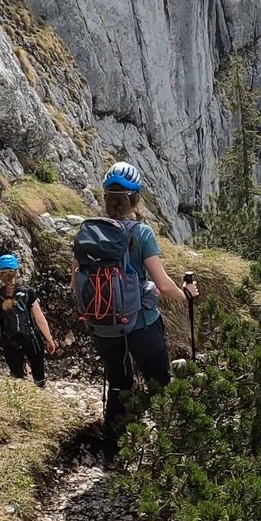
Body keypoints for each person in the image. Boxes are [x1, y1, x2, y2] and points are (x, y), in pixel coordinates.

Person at [85, 161, 197, 460]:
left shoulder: (88, 233)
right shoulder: (141, 233)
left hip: (104, 326)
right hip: (142, 325)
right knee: (159, 383)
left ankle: (112, 456)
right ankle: (171, 453)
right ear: (136, 199)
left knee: (119, 385)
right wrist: (186, 295)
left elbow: (76, 282)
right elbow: (162, 283)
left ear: (106, 198)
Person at [0, 253, 58, 387]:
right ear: (16, 272)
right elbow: (40, 320)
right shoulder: (28, 293)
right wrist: (49, 340)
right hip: (33, 340)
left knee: (18, 382)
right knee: (39, 381)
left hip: (11, 345)